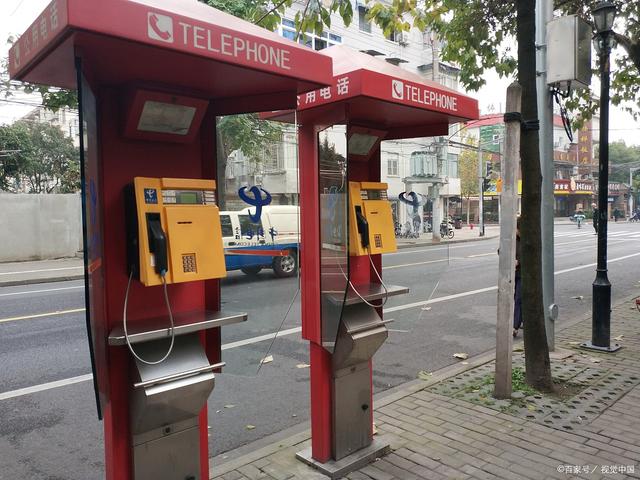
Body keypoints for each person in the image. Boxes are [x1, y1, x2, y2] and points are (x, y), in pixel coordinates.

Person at [513, 217, 523, 337]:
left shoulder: (528, 240)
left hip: (523, 274)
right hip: (513, 274)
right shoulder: (512, 239)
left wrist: (519, 261)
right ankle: (522, 318)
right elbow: (501, 250)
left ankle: (515, 326)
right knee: (516, 297)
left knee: (519, 299)